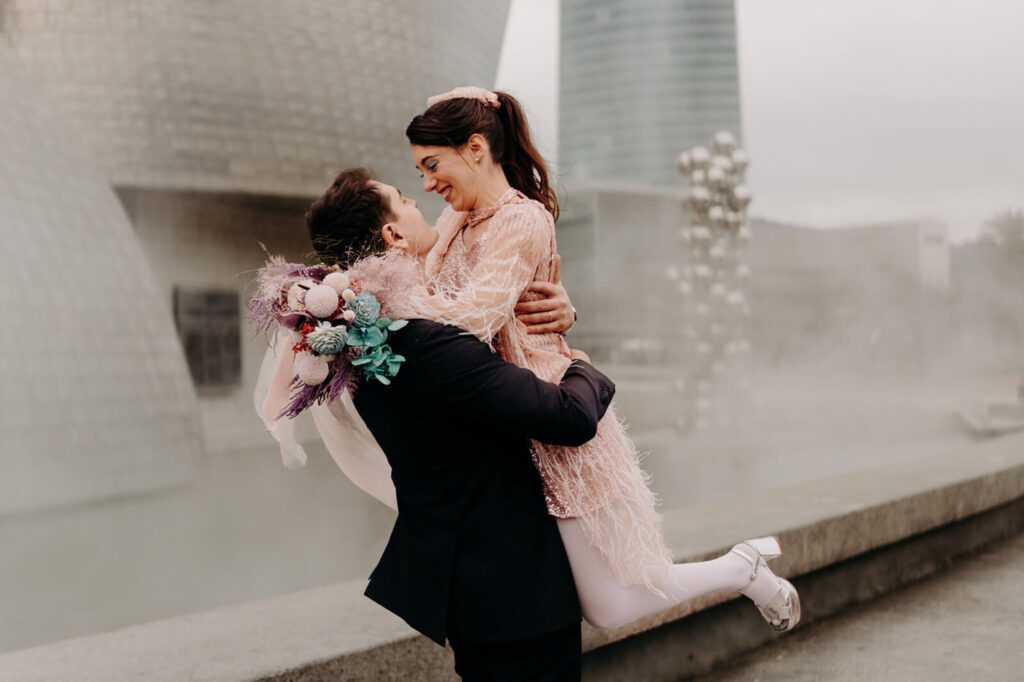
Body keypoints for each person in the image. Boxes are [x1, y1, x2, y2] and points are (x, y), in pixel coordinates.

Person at [302, 160, 799, 635]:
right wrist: (578, 359)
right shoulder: (418, 336)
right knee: (609, 606)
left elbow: (493, 314)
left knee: (610, 604)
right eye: (405, 197)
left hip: (506, 528)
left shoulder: (363, 342)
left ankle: (742, 569)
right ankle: (741, 568)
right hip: (507, 525)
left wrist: (561, 318)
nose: (422, 196)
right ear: (392, 235)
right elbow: (502, 360)